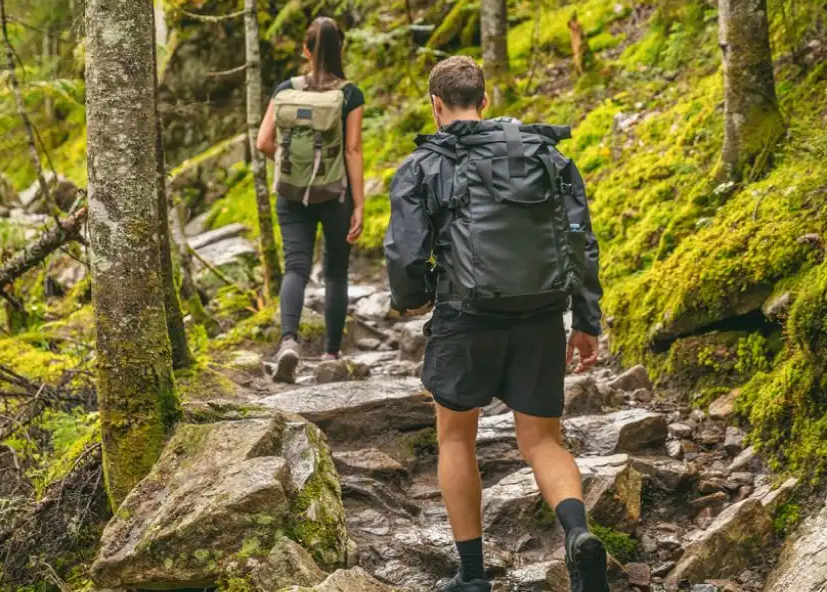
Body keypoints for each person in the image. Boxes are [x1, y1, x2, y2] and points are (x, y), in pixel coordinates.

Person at [384, 56, 609, 592]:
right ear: (485, 102)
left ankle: (472, 575)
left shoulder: (422, 165)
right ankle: (577, 534)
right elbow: (580, 241)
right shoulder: (546, 156)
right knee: (544, 441)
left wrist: (414, 298)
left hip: (465, 318)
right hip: (540, 315)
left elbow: (406, 253)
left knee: (455, 438)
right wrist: (586, 320)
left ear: (436, 105)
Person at [256, 17, 365, 382]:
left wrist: (294, 168)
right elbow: (352, 150)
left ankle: (289, 341)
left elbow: (263, 142)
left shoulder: (285, 90)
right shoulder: (350, 94)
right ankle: (331, 354)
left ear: (306, 50)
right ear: (341, 49)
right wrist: (359, 204)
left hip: (291, 194)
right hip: (335, 195)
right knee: (335, 272)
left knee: (296, 268)